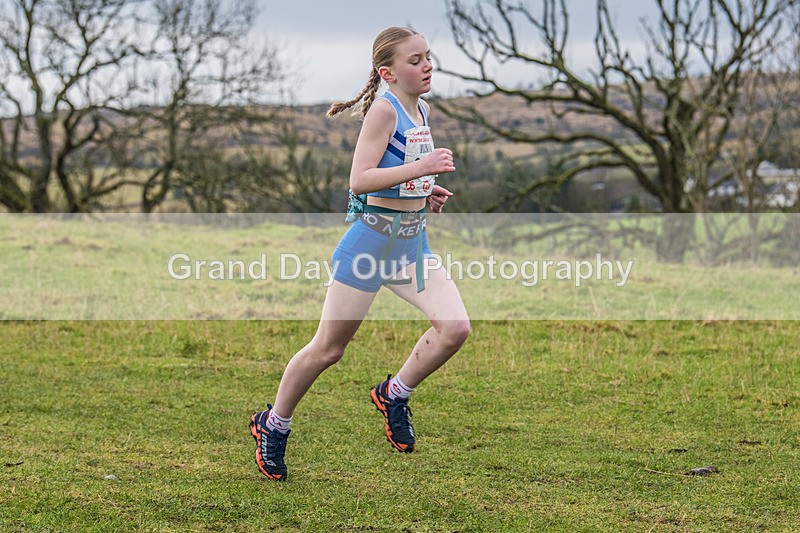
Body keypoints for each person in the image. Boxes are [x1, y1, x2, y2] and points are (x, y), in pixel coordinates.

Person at [249, 26, 470, 481]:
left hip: (411, 244)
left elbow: (397, 175)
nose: (427, 65)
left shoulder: (421, 108)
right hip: (370, 246)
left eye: (428, 56)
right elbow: (360, 180)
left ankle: (394, 393)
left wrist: (425, 190)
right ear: (387, 73)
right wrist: (422, 167)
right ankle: (274, 424)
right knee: (328, 350)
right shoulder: (384, 112)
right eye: (415, 60)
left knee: (454, 329)